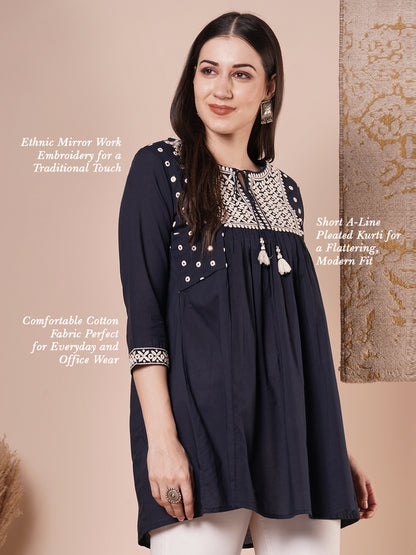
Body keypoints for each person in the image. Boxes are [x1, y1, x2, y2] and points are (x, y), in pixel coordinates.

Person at [118, 11, 377, 554]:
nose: (220, 89)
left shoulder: (288, 192)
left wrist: (332, 447)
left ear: (269, 88)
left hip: (296, 445)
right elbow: (145, 322)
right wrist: (162, 442)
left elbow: (297, 339)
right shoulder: (159, 170)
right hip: (200, 440)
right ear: (192, 77)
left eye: (241, 74)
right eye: (208, 70)